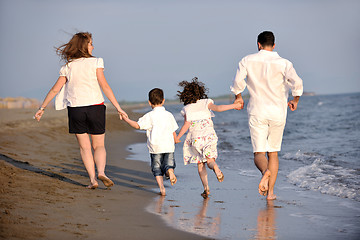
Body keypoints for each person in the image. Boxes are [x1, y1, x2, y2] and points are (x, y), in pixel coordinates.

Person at [34, 32, 128, 189]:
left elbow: (55, 89)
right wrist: (119, 108)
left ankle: (93, 180)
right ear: (84, 46)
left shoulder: (68, 66)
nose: (93, 46)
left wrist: (42, 108)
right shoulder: (96, 62)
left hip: (76, 110)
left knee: (84, 147)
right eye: (91, 43)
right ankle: (102, 172)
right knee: (98, 145)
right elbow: (104, 86)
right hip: (96, 108)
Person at [230, 31, 303, 200]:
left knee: (259, 154)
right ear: (274, 45)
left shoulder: (247, 60)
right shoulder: (284, 63)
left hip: (257, 110)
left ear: (258, 44)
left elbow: (237, 83)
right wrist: (295, 100)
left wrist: (238, 97)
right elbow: (297, 83)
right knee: (274, 153)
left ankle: (265, 172)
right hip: (278, 112)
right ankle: (270, 194)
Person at [175, 77, 242, 198]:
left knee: (201, 165)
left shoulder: (187, 108)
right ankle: (216, 168)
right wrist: (234, 105)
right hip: (209, 136)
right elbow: (219, 108)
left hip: (196, 139)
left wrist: (178, 137)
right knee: (210, 160)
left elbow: (186, 124)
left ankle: (206, 188)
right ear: (200, 92)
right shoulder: (206, 102)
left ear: (185, 96)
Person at [122, 88, 178, 196]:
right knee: (169, 165)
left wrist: (126, 119)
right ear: (163, 101)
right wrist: (175, 139)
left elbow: (137, 125)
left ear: (149, 102)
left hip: (155, 147)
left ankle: (162, 188)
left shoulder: (149, 116)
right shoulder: (169, 115)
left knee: (157, 168)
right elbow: (173, 130)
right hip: (168, 145)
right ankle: (170, 172)